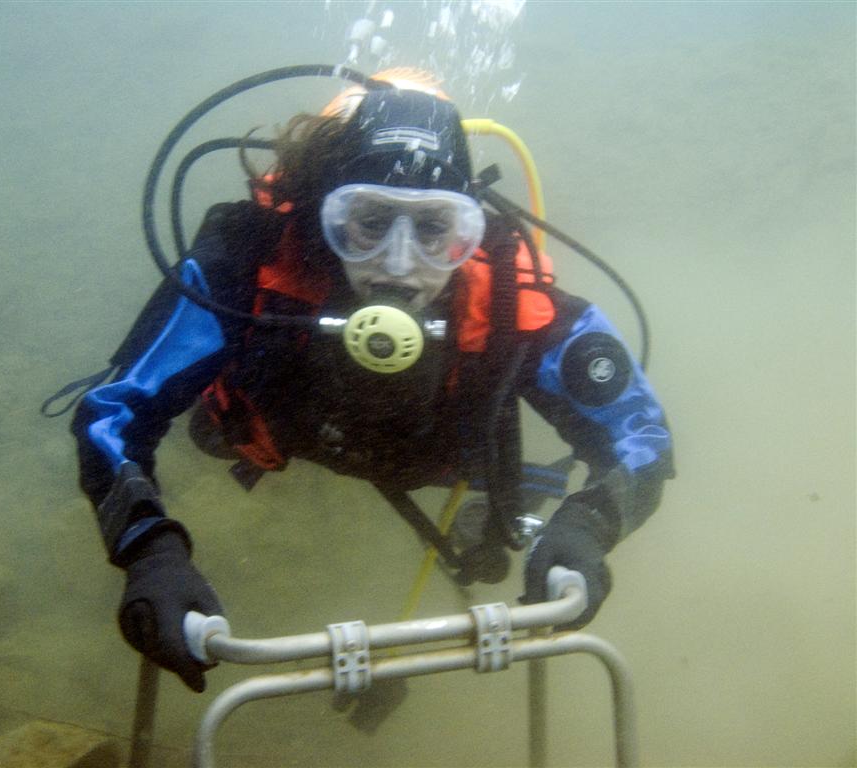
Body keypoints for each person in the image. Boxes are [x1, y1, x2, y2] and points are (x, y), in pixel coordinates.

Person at [71, 71, 674, 694]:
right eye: (370, 221)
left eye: (434, 229)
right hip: (280, 429)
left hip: (434, 452)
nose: (398, 264)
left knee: (492, 495)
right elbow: (112, 410)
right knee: (214, 434)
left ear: (471, 234)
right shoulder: (243, 267)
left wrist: (587, 527)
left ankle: (504, 497)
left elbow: (643, 436)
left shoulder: (507, 300)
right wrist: (150, 551)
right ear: (322, 216)